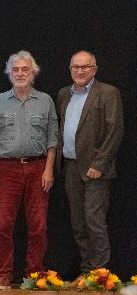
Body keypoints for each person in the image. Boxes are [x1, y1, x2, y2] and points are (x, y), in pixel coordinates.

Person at [0, 51, 58, 289]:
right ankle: (3, 276)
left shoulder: (45, 101)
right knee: (3, 225)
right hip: (6, 169)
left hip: (38, 167)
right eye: (15, 70)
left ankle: (34, 275)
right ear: (9, 74)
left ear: (33, 73)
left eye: (25, 69)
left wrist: (48, 170)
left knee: (38, 226)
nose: (20, 74)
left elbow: (52, 139)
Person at [56, 51, 122, 280]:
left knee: (94, 221)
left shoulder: (108, 93)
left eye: (85, 67)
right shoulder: (64, 94)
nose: (80, 71)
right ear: (70, 69)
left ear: (94, 69)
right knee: (78, 223)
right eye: (76, 67)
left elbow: (115, 132)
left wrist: (99, 164)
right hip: (71, 167)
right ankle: (86, 271)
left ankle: (99, 274)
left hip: (96, 169)